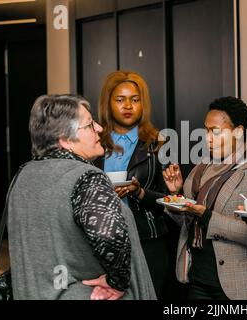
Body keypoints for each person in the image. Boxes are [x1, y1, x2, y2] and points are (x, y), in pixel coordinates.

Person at [8, 94, 156, 300]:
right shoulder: (86, 177)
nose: (100, 128)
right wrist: (117, 282)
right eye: (89, 125)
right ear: (66, 139)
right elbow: (110, 236)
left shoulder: (23, 176)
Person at [162, 97, 247, 300]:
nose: (208, 138)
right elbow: (187, 222)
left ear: (238, 132)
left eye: (215, 131)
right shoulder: (201, 168)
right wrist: (175, 195)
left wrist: (206, 216)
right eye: (206, 131)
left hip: (239, 286)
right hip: (197, 279)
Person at [95, 70, 181, 299]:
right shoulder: (94, 145)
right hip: (102, 241)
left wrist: (140, 193)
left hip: (148, 241)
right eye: (120, 99)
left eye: (135, 100)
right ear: (108, 103)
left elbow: (170, 200)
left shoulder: (159, 144)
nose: (128, 106)